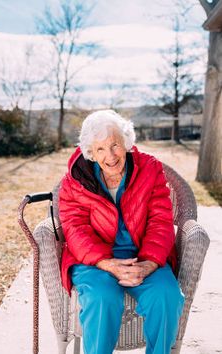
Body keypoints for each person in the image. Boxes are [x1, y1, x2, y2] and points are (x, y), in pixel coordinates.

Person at [59, 109, 184, 354]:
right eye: (101, 149)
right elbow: (75, 230)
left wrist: (148, 263)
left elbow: (161, 220)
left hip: (143, 255)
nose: (111, 156)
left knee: (166, 295)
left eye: (115, 145)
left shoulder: (150, 169)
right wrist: (107, 263)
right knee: (102, 297)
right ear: (91, 154)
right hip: (94, 260)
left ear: (126, 143)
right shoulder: (74, 181)